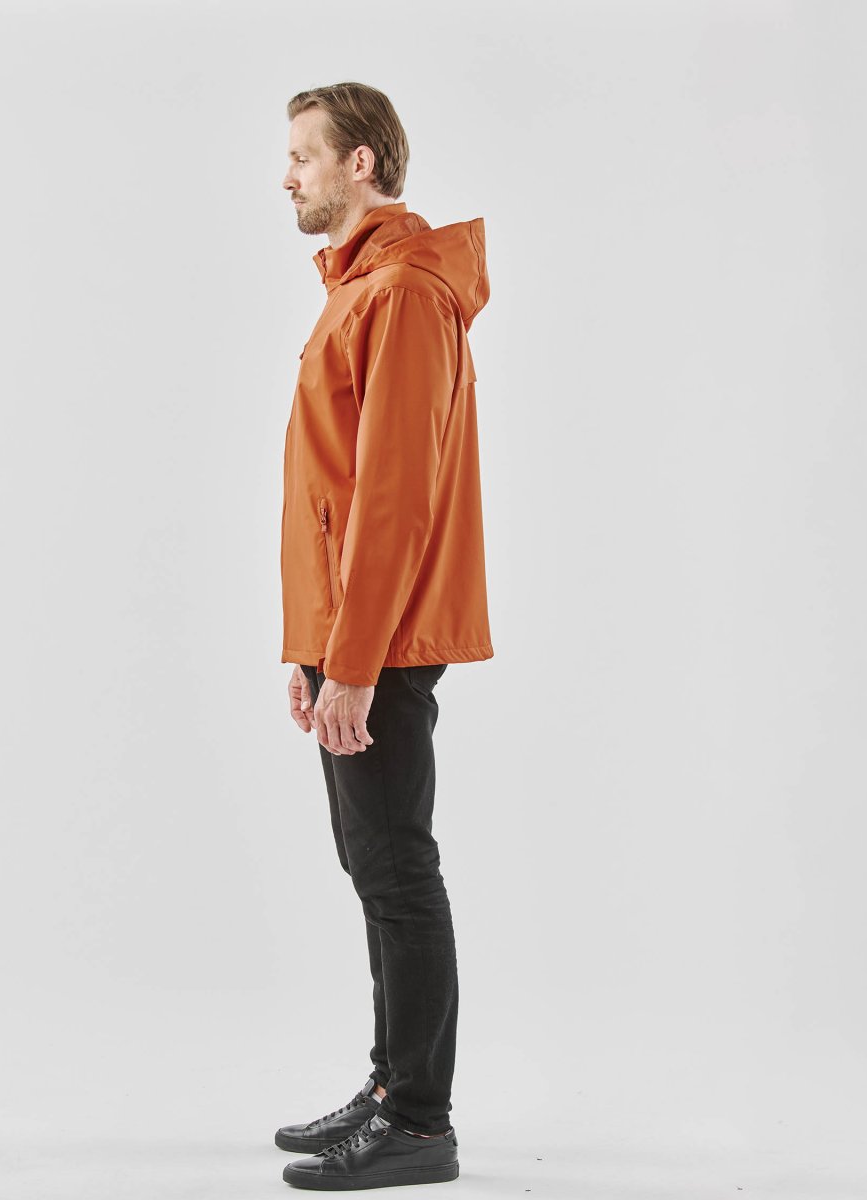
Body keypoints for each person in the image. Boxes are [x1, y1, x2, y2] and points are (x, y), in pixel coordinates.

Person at [273, 81, 494, 1191]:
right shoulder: (360, 287)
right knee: (372, 863)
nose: (288, 177)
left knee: (398, 868)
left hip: (386, 637)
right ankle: (387, 1087)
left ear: (360, 162)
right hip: (353, 633)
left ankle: (418, 1120)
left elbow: (395, 496)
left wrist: (352, 661)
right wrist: (310, 648)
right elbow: (335, 489)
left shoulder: (402, 293)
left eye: (303, 156)